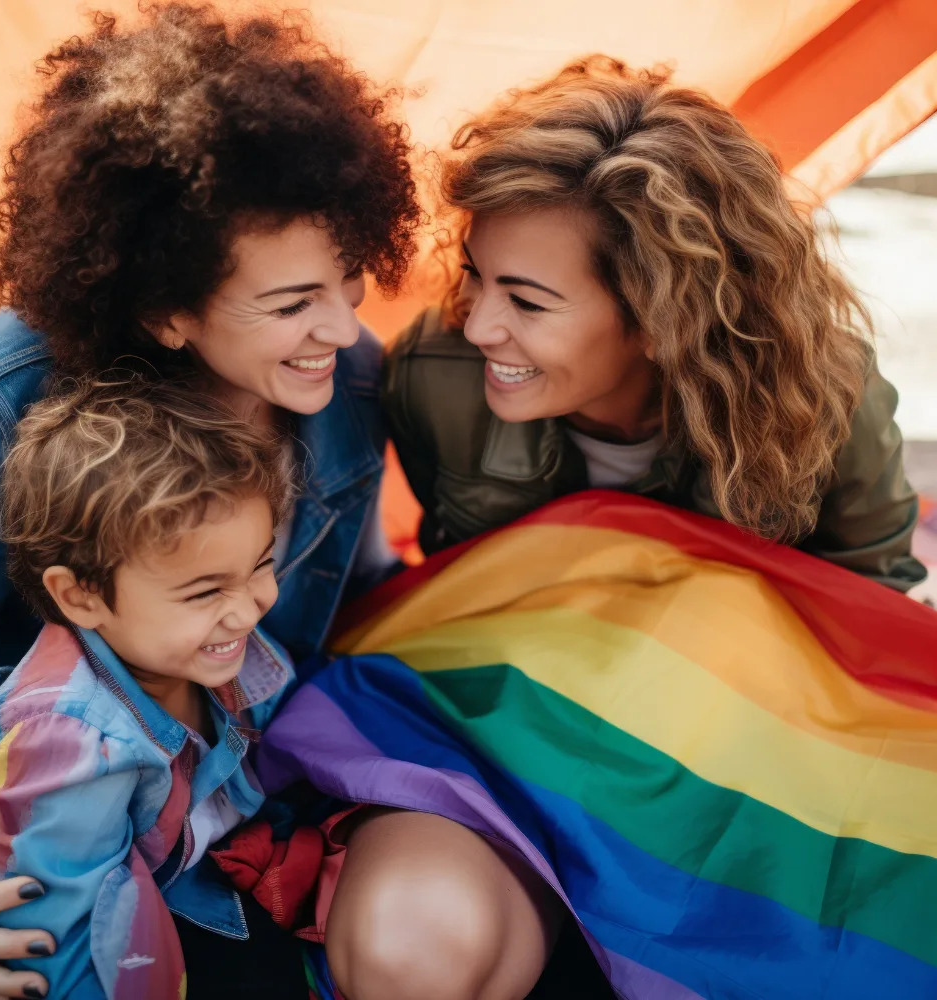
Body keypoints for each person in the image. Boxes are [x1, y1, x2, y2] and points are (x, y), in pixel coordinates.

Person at [320, 57, 927, 1000]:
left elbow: (869, 620)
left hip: (723, 772)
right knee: (406, 951)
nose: (478, 323)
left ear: (659, 315)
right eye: (476, 277)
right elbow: (453, 595)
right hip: (502, 748)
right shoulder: (433, 375)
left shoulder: (822, 398)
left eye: (526, 300)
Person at [0, 5, 419, 998]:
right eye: (293, 304)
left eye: (348, 281)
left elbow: (353, 605)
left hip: (234, 823)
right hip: (49, 823)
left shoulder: (354, 390)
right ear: (165, 307)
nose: (342, 326)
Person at [0, 378, 299, 1000]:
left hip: (198, 890)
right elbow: (56, 943)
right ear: (80, 595)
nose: (248, 610)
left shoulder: (215, 656)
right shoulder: (70, 739)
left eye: (261, 565)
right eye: (203, 592)